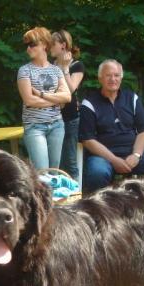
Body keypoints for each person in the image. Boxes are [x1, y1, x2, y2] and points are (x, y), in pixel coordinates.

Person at [78, 59, 144, 193]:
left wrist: (136, 155)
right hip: (104, 158)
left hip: (132, 155)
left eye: (116, 75)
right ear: (100, 78)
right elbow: (88, 140)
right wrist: (114, 160)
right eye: (108, 75)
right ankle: (101, 210)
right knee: (97, 171)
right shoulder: (89, 103)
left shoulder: (132, 98)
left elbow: (143, 131)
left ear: (121, 78)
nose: (113, 79)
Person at [17, 27, 71, 170]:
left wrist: (41, 94)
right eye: (26, 45)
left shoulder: (56, 70)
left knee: (54, 173)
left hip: (57, 125)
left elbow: (67, 96)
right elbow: (29, 100)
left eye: (32, 44)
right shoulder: (24, 70)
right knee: (42, 173)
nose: (28, 48)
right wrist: (56, 99)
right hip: (34, 127)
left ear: (44, 45)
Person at [50, 30, 85, 182]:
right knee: (55, 162)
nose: (48, 47)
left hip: (70, 119)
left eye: (52, 44)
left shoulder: (77, 65)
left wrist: (64, 68)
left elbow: (71, 90)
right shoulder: (49, 65)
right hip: (52, 117)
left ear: (63, 45)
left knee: (70, 161)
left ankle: (76, 199)